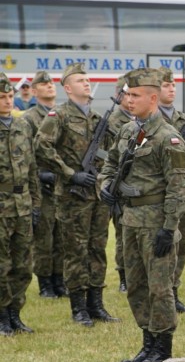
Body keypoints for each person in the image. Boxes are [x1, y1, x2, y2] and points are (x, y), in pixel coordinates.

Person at [99, 68, 185, 362]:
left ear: (153, 98)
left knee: (159, 287)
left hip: (156, 225)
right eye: (127, 94)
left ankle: (162, 347)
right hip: (129, 220)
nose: (128, 99)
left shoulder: (169, 137)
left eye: (135, 95)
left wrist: (169, 228)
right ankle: (147, 342)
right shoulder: (127, 131)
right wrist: (105, 187)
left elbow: (179, 187)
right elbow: (109, 164)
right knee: (136, 285)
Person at [35, 62, 119, 327]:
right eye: (81, 80)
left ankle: (96, 304)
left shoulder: (97, 119)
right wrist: (70, 173)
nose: (86, 83)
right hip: (72, 196)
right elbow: (42, 147)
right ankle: (78, 308)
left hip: (96, 195)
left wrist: (103, 174)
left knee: (97, 248)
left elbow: (110, 153)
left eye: (87, 79)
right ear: (68, 88)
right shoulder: (57, 116)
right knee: (75, 251)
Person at [0, 74, 40, 335]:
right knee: (1, 264)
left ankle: (15, 313)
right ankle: (2, 316)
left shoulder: (22, 126)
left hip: (23, 204)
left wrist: (36, 204)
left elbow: (32, 168)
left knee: (23, 264)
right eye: (2, 97)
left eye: (8, 96)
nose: (6, 101)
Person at [23, 70, 66, 298]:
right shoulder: (29, 118)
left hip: (62, 183)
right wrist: (40, 175)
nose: (50, 86)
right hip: (42, 186)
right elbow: (27, 153)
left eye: (51, 83)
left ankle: (59, 279)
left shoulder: (61, 114)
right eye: (44, 83)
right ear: (35, 89)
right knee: (43, 237)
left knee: (61, 235)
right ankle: (45, 283)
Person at [156, 67, 185, 314]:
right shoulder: (147, 121)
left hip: (184, 193)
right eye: (165, 85)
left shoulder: (182, 120)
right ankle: (160, 295)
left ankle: (174, 292)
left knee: (181, 246)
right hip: (160, 195)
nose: (171, 89)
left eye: (173, 85)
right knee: (162, 246)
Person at [107, 76, 136, 293]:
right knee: (122, 235)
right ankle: (124, 275)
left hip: (135, 184)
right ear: (120, 95)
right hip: (118, 184)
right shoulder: (112, 121)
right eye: (129, 93)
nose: (132, 98)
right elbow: (108, 155)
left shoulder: (137, 121)